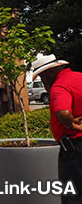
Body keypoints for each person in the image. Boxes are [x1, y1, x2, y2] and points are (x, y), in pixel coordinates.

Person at [33, 54, 82, 203]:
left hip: (75, 148)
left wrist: (73, 125)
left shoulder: (60, 85)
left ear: (50, 72)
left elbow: (63, 113)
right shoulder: (79, 77)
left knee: (73, 194)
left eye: (41, 76)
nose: (42, 80)